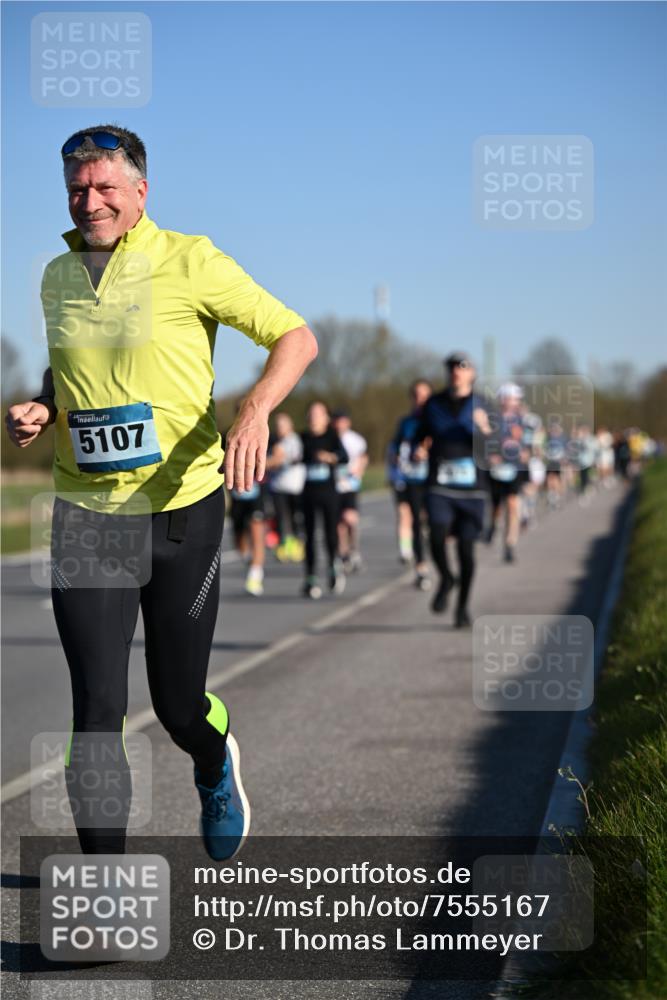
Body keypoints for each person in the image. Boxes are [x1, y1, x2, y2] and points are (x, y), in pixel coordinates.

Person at [5, 125, 318, 862]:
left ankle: (213, 762)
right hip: (87, 515)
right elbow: (71, 370)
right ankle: (105, 883)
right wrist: (45, 405)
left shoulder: (190, 259)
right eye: (77, 189)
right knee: (96, 708)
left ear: (140, 192)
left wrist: (255, 411)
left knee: (178, 704)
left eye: (105, 187)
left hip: (181, 509)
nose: (90, 202)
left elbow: (294, 336)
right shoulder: (57, 276)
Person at [413, 351, 491, 627]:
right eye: (451, 367)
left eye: (462, 366)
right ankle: (446, 578)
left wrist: (485, 430)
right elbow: (421, 434)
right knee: (435, 536)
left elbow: (497, 445)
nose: (456, 370)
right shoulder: (434, 403)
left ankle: (462, 607)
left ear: (472, 373)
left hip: (473, 489)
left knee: (466, 553)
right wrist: (419, 449)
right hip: (440, 484)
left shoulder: (483, 405)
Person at [387, 379, 433, 589]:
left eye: (424, 395)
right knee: (412, 520)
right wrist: (397, 457)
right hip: (412, 479)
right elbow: (396, 445)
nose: (419, 399)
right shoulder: (406, 422)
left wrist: (428, 452)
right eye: (416, 395)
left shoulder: (438, 420)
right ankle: (420, 568)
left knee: (432, 523)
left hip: (434, 479)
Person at [299, 401, 348, 599]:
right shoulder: (303, 437)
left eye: (318, 414)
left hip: (329, 492)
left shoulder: (332, 436)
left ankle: (333, 567)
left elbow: (344, 457)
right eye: (311, 414)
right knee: (309, 536)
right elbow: (297, 457)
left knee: (330, 533)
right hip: (308, 492)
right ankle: (310, 577)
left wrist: (329, 457)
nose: (313, 418)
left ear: (326, 418)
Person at [485, 382, 529, 563]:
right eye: (511, 398)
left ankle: (510, 544)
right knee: (496, 507)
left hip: (515, 468)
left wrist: (526, 452)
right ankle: (493, 525)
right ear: (502, 400)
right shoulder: (492, 419)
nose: (514, 402)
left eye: (516, 399)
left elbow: (528, 442)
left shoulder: (522, 420)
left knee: (512, 505)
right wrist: (490, 455)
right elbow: (483, 441)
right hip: (496, 470)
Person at [332, 409, 368, 573]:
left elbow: (363, 457)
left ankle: (354, 550)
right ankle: (343, 553)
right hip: (335, 486)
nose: (339, 424)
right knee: (339, 523)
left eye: (342, 421)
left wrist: (359, 471)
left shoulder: (356, 440)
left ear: (348, 422)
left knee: (350, 519)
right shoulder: (330, 438)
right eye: (337, 421)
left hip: (351, 485)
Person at [266, 412, 305, 563]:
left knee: (295, 518)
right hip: (277, 487)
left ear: (290, 426)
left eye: (282, 425)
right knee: (281, 518)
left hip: (294, 487)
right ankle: (283, 546)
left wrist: (260, 464)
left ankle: (296, 546)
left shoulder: (293, 441)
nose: (279, 428)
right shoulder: (275, 441)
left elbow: (278, 460)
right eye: (277, 425)